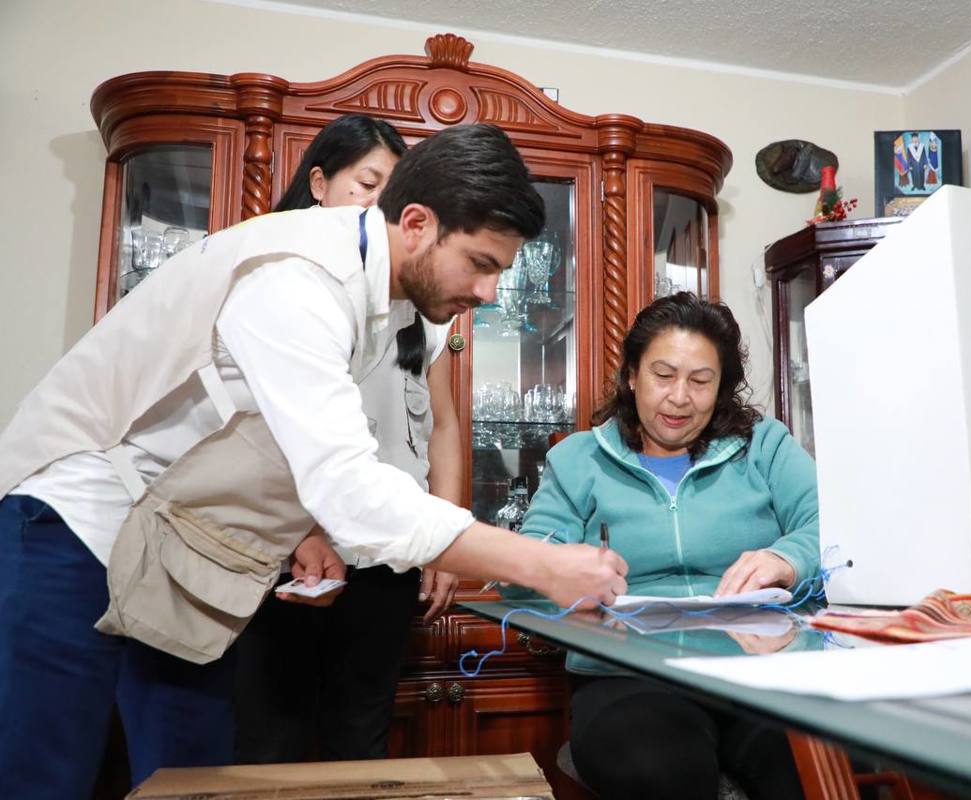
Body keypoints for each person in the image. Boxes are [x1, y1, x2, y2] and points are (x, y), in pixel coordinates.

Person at [0, 123, 627, 798]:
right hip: (71, 525)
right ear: (415, 223)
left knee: (191, 773)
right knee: (45, 773)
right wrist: (543, 564)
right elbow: (349, 489)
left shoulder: (375, 294)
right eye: (480, 263)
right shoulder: (297, 280)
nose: (486, 293)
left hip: (180, 542)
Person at [513, 292, 819, 800]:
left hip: (759, 668)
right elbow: (528, 561)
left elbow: (830, 525)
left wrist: (786, 558)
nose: (680, 397)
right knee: (660, 769)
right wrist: (567, 570)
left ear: (721, 389)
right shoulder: (578, 460)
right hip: (625, 677)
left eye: (701, 381)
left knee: (815, 764)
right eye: (663, 375)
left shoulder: (764, 445)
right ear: (632, 375)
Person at [233, 113, 462, 763]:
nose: (378, 204)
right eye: (367, 183)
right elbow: (261, 425)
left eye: (394, 192)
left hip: (387, 550)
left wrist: (443, 538)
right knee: (268, 737)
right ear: (319, 184)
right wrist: (302, 528)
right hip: (289, 544)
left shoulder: (419, 304)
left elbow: (443, 426)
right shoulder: (284, 280)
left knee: (359, 735)